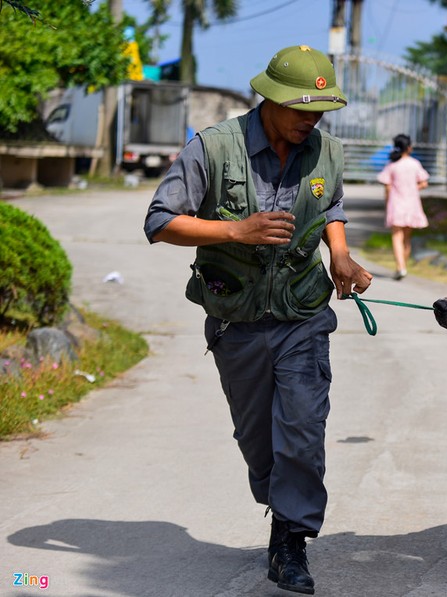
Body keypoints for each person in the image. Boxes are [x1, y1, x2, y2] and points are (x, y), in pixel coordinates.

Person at [143, 45, 373, 595]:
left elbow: (332, 204)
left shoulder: (327, 152)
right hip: (237, 319)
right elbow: (159, 222)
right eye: (301, 109)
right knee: (260, 442)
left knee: (302, 427)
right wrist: (235, 231)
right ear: (268, 98)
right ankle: (280, 510)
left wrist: (339, 252)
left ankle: (291, 541)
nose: (310, 120)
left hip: (302, 313)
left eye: (320, 110)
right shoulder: (213, 149)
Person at [377, 134, 430, 280]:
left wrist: (387, 203)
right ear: (409, 147)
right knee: (407, 237)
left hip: (396, 203)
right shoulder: (415, 164)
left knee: (396, 236)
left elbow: (387, 187)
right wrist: (413, 188)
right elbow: (424, 182)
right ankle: (403, 266)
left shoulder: (392, 165)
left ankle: (400, 267)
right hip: (412, 203)